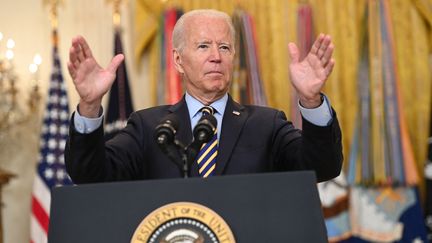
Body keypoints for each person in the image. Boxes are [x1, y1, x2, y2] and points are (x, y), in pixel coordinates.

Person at [65, 9, 343, 184]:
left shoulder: (266, 124)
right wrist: (89, 106)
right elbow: (90, 175)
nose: (216, 57)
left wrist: (311, 101)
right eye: (203, 46)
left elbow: (321, 168)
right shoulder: (147, 127)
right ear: (178, 60)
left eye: (224, 47)